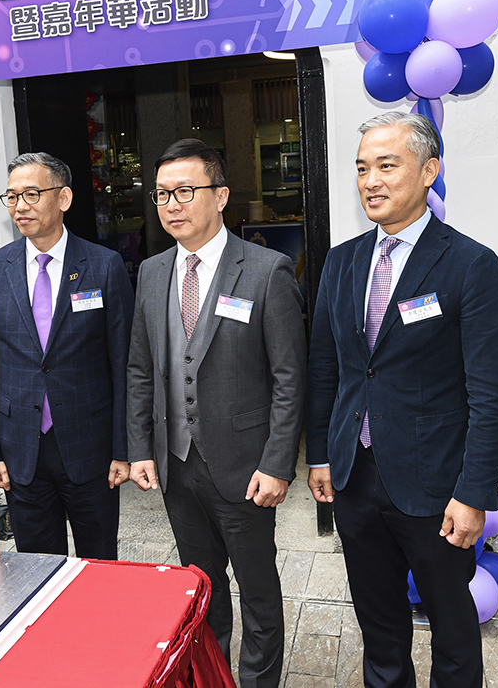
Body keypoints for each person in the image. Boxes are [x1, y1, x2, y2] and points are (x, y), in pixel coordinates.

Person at [306, 112, 498, 688]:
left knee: (452, 627)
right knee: (379, 625)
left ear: (429, 171)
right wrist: (320, 453)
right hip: (355, 476)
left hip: (435, 486)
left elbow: (493, 395)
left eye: (386, 166)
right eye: (361, 168)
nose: (370, 180)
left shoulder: (471, 265)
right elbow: (327, 366)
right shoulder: (342, 261)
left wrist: (474, 493)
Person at [126, 139, 306, 687]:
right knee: (199, 587)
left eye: (185, 191)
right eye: (161, 194)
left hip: (245, 466)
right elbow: (140, 367)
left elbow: (289, 379)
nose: (172, 204)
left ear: (221, 195)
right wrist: (139, 449)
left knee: (257, 589)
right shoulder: (153, 272)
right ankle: (212, 674)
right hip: (178, 465)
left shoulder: (267, 270)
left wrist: (277, 464)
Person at [0, 152, 134, 559]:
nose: (19, 206)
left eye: (31, 194)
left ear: (63, 198)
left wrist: (123, 448)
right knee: (36, 567)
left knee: (100, 562)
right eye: (11, 196)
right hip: (21, 447)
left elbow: (124, 364)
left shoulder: (103, 265)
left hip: (89, 445)